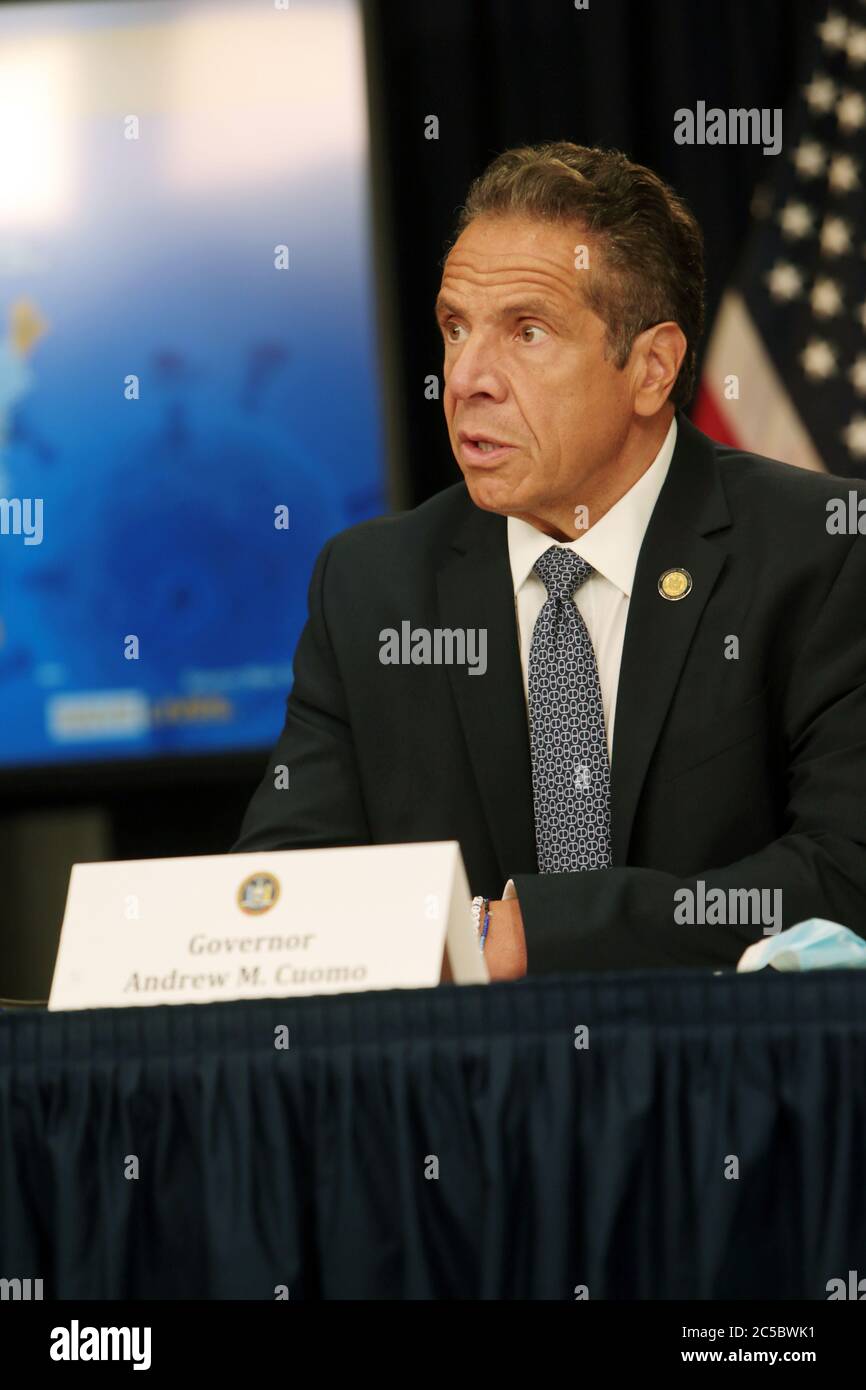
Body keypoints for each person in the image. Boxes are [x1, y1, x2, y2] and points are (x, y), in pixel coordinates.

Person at [232, 141, 866, 979]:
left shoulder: (820, 553)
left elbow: (846, 871)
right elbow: (285, 897)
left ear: (651, 368)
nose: (466, 378)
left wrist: (555, 933)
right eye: (455, 328)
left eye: (525, 332)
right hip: (455, 1100)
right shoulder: (373, 586)